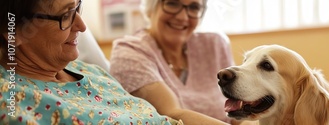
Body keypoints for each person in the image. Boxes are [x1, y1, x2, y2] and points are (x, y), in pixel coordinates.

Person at [0, 0, 181, 124]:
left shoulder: (92, 72)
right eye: (65, 15)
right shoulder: (12, 103)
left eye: (77, 7)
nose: (82, 26)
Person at [109, 0, 256, 124]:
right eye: (172, 3)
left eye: (193, 7)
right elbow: (171, 115)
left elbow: (236, 115)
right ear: (151, 8)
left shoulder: (215, 44)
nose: (182, 16)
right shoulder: (129, 52)